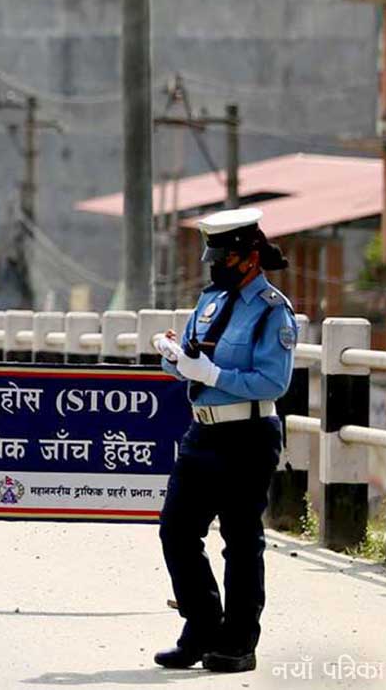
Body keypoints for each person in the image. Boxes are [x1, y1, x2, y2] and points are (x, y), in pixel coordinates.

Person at [152, 207, 294, 674]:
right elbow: (191, 360)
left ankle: (238, 642)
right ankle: (201, 627)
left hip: (248, 434)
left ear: (250, 257)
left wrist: (212, 374)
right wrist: (173, 355)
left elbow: (273, 381)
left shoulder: (272, 310)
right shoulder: (210, 301)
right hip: (203, 430)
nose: (216, 267)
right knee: (176, 530)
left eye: (224, 258)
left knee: (240, 539)